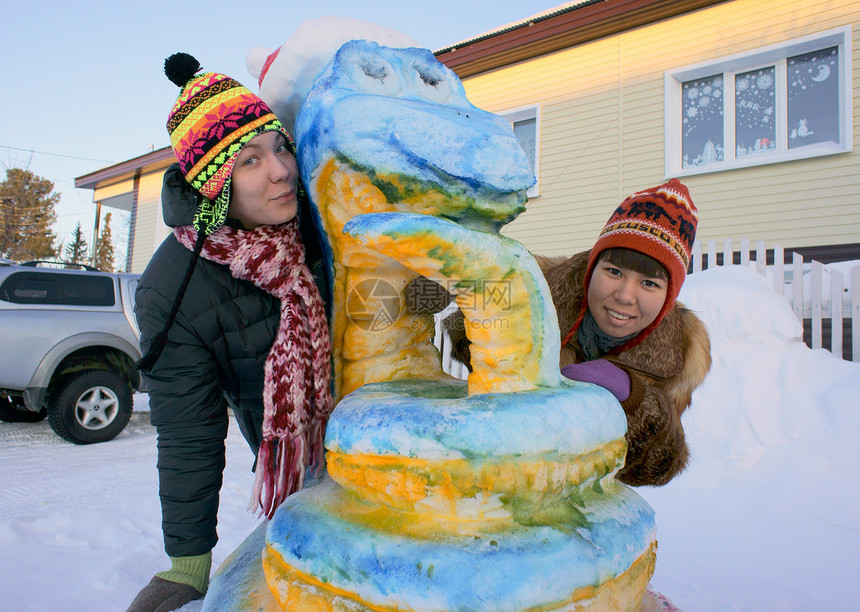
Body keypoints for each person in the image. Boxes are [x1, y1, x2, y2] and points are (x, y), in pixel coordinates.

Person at [127, 53, 333, 612]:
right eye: (248, 161)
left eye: (281, 147)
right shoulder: (174, 288)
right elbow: (188, 432)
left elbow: (390, 295)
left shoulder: (321, 223)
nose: (282, 170)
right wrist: (189, 565)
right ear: (213, 186)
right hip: (306, 477)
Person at [449, 179, 710, 487]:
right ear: (593, 268)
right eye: (614, 272)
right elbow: (460, 330)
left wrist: (633, 399)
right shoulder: (538, 287)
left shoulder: (682, 351)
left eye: (649, 283)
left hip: (580, 496)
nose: (626, 296)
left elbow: (656, 467)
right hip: (491, 470)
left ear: (669, 295)